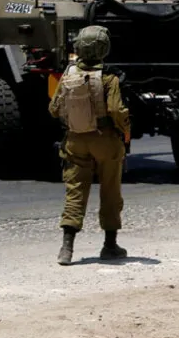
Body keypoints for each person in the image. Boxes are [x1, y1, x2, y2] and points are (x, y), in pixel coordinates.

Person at [48, 26, 130, 266]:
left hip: (75, 140)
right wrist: (125, 124)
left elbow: (54, 109)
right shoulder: (109, 78)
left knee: (75, 192)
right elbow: (116, 110)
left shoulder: (69, 75)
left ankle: (66, 248)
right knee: (110, 192)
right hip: (105, 140)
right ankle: (110, 245)